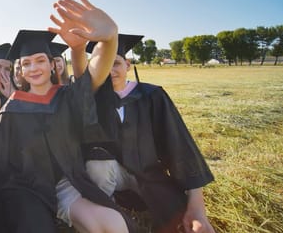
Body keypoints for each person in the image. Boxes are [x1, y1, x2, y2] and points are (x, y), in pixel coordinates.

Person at [0, 0, 137, 233]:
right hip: (25, 188)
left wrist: (110, 37)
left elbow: (96, 71)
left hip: (65, 183)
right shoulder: (11, 108)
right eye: (26, 63)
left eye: (40, 60)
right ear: (20, 70)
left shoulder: (67, 97)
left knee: (113, 225)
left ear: (52, 65)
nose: (33, 68)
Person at [79, 34, 215, 233]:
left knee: (180, 223)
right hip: (109, 177)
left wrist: (197, 205)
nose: (108, 71)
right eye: (102, 64)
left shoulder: (151, 95)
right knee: (96, 163)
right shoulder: (89, 102)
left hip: (150, 176)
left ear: (127, 64)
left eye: (115, 63)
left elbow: (178, 144)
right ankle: (106, 211)